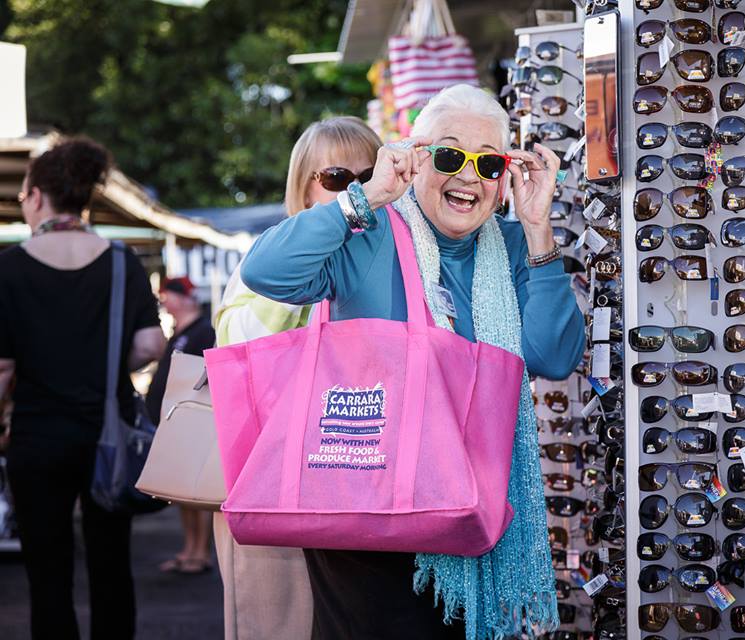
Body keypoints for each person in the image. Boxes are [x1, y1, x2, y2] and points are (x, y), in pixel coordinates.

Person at [240, 84, 585, 640]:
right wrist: (364, 197)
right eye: (449, 156)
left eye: (489, 163)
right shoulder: (369, 230)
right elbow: (265, 272)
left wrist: (540, 227)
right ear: (416, 157)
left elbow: (553, 355)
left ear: (506, 177)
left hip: (465, 514)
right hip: (362, 508)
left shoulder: (517, 247)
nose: (468, 177)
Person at [212, 115, 382, 640]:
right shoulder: (275, 254)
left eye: (370, 174)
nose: (356, 188)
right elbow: (239, 346)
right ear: (304, 187)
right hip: (274, 470)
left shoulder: (390, 256)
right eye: (336, 178)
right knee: (276, 619)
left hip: (358, 474)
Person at [0, 137, 166, 639]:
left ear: (34, 197)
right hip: (107, 436)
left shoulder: (9, 268)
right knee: (111, 569)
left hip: (35, 438)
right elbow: (151, 343)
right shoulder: (120, 262)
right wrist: (106, 360)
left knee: (47, 577)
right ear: (84, 198)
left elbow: (3, 368)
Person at [145, 275, 216, 575]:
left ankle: (200, 553)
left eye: (169, 295)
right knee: (179, 491)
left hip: (191, 419)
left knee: (194, 491)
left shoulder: (203, 330)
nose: (165, 301)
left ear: (185, 298)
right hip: (173, 418)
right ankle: (189, 548)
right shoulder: (179, 331)